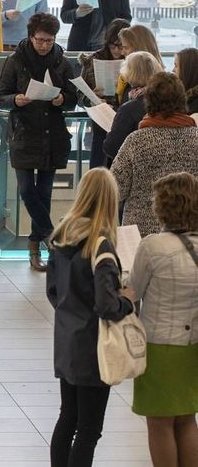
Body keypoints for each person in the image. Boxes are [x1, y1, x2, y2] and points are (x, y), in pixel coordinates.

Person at [46, 168, 136, 467]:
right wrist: (127, 302)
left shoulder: (60, 237)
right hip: (94, 348)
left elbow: (53, 292)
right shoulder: (101, 246)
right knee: (89, 429)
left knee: (67, 417)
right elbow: (107, 305)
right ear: (111, 201)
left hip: (67, 340)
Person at [0, 13, 75, 271]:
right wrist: (15, 100)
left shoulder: (61, 61)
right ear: (30, 37)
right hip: (24, 132)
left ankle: (34, 245)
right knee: (27, 189)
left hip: (53, 134)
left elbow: (73, 96)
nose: (44, 45)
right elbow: (0, 96)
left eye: (49, 41)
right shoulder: (16, 60)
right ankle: (51, 236)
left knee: (45, 192)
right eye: (40, 40)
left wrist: (62, 99)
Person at [129, 172, 198, 467]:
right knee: (186, 419)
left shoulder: (153, 246)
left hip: (160, 345)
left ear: (164, 206)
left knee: (159, 423)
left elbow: (133, 291)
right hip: (192, 344)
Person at [111, 72, 198, 237]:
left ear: (149, 101)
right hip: (190, 233)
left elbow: (116, 188)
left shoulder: (136, 141)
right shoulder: (196, 138)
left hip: (140, 233)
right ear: (182, 100)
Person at [79, 18, 129, 169]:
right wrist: (91, 98)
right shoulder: (93, 60)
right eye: (112, 45)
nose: (117, 50)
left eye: (121, 46)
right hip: (101, 121)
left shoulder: (133, 60)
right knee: (99, 171)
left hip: (126, 122)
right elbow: (80, 95)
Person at [102, 51, 163, 163]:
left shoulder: (129, 109)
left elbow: (112, 147)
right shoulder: (166, 100)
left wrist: (110, 133)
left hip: (135, 168)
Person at [175, 47, 198, 112]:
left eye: (176, 66)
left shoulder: (193, 103)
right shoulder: (185, 95)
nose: (173, 70)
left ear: (186, 70)